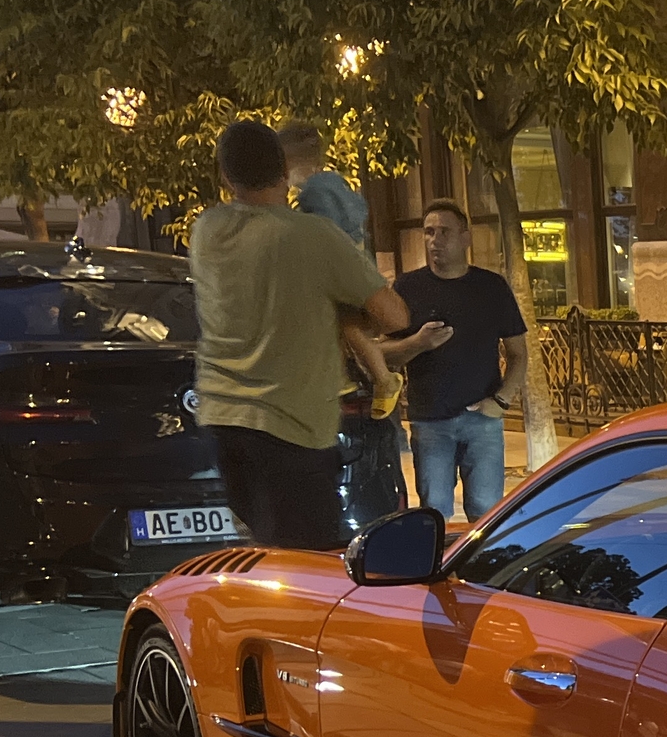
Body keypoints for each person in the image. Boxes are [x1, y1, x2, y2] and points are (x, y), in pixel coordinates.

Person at [189, 118, 409, 551]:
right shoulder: (312, 237)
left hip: (223, 422)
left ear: (226, 177)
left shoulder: (207, 231)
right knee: (304, 564)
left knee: (266, 552)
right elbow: (395, 316)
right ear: (285, 171)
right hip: (293, 428)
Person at [278, 120, 445, 527]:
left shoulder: (313, 195)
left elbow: (320, 234)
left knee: (346, 324)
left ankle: (384, 378)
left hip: (340, 268)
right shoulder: (335, 185)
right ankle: (381, 377)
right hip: (355, 266)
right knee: (351, 325)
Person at [396, 198, 526, 523]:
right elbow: (385, 354)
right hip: (430, 421)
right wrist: (418, 342)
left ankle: (480, 573)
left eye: (444, 232)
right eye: (428, 232)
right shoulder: (408, 287)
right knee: (433, 515)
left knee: (486, 514)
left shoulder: (491, 287)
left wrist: (502, 400)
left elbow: (518, 353)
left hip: (482, 421)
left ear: (465, 238)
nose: (435, 240)